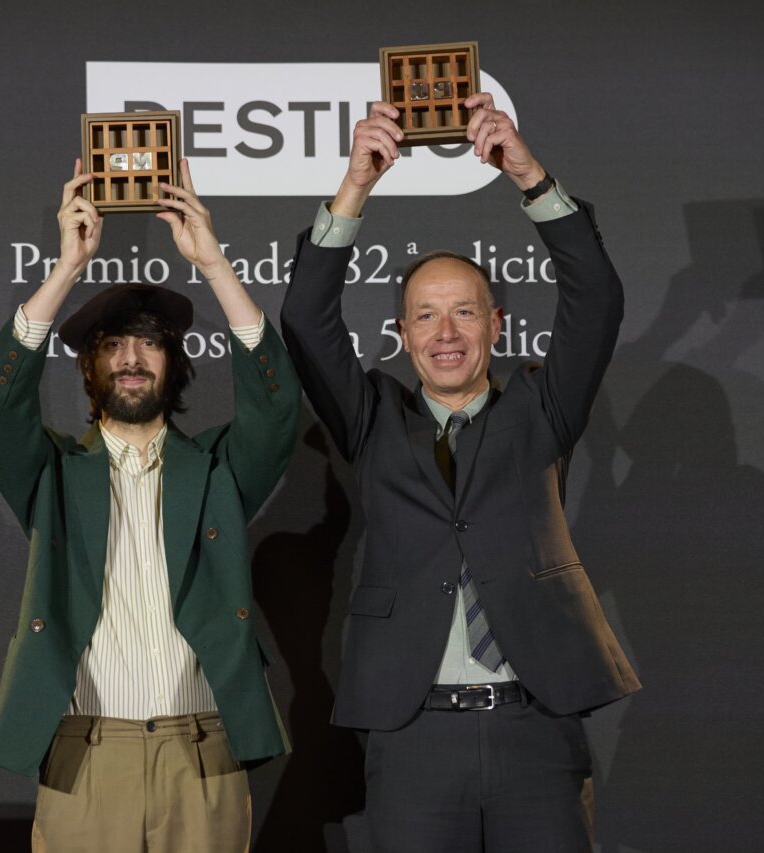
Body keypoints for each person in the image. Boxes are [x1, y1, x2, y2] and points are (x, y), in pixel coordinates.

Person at [278, 94, 640, 852]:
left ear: (497, 323)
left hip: (535, 726)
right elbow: (307, 318)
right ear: (403, 333)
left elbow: (598, 297)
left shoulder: (542, 406)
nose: (446, 333)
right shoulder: (372, 416)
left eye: (465, 313)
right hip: (413, 736)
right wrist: (355, 187)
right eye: (426, 316)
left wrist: (530, 176)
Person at [0, 157, 299, 852]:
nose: (130, 358)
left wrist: (213, 265)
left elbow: (275, 409)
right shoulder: (54, 474)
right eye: (112, 345)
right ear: (88, 367)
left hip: (203, 752)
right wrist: (65, 270)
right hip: (86, 754)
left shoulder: (215, 470)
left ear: (174, 361)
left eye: (148, 342)